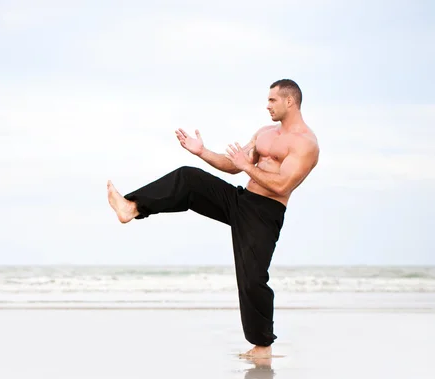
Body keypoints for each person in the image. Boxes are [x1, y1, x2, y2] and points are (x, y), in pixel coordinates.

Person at [106, 79, 320, 359]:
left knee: (252, 279)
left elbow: (282, 186)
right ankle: (131, 208)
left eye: (272, 100)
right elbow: (234, 166)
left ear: (289, 101)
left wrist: (247, 167)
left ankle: (262, 347)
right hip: (241, 200)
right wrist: (202, 152)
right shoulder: (265, 133)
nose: (267, 105)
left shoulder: (306, 144)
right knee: (188, 178)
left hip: (265, 213)